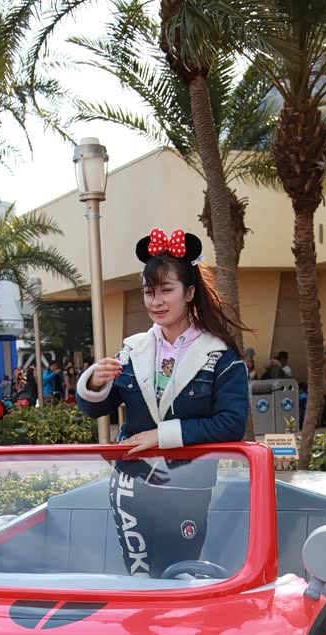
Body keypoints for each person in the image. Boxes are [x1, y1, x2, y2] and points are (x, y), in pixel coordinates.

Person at [76, 226, 249, 578]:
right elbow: (96, 408)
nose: (155, 301)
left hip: (188, 487)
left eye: (166, 290)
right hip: (130, 483)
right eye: (148, 291)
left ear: (190, 292)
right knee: (139, 578)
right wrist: (93, 382)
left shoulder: (220, 355)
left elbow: (232, 423)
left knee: (177, 576)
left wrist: (162, 436)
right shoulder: (133, 349)